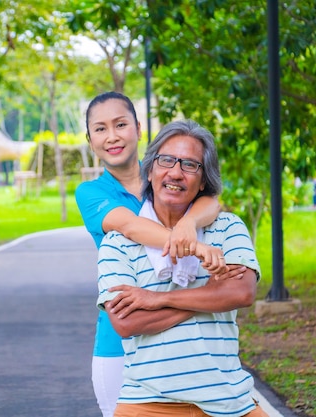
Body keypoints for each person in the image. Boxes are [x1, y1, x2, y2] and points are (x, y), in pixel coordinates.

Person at [75, 92, 238, 417]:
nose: (112, 136)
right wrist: (193, 243)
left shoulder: (168, 174)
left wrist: (190, 221)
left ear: (138, 128)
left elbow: (212, 200)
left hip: (190, 344)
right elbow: (132, 226)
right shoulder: (91, 193)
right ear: (90, 139)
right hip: (121, 341)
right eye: (101, 129)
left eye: (120, 124)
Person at [96, 119, 267, 417]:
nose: (175, 172)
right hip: (147, 403)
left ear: (203, 182)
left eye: (190, 165)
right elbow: (125, 322)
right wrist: (212, 294)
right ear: (150, 170)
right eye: (166, 160)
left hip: (229, 401)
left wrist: (156, 299)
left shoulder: (227, 227)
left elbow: (242, 292)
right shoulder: (118, 244)